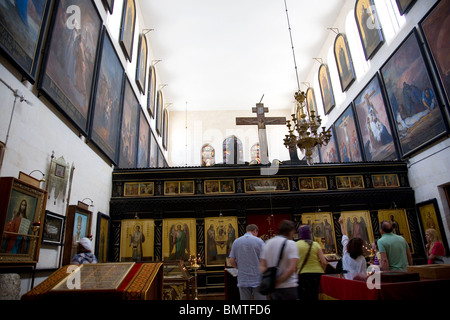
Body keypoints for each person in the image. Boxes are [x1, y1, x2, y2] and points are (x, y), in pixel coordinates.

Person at [259, 220, 299, 300]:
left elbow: (262, 266)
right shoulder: (291, 244)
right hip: (289, 286)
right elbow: (292, 268)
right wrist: (279, 281)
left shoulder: (268, 243)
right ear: (290, 231)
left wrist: (271, 279)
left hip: (273, 289)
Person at [229, 224, 266, 300]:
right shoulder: (259, 241)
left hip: (243, 278)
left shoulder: (236, 241)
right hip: (257, 278)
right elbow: (265, 259)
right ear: (255, 231)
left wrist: (239, 267)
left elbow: (231, 260)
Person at [296, 225, 328, 301]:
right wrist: (322, 271)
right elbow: (324, 262)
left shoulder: (296, 245)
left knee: (304, 296)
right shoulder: (316, 244)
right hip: (317, 274)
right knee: (315, 296)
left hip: (303, 274)